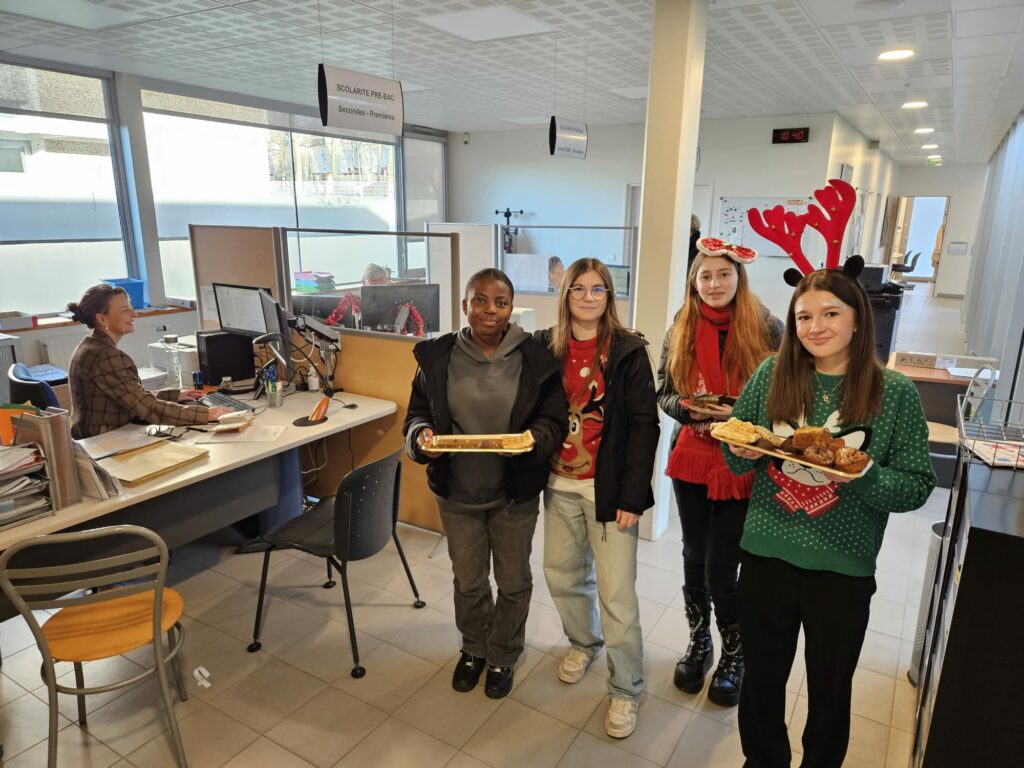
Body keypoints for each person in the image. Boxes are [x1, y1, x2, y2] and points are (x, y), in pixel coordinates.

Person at [723, 265, 935, 766]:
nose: (815, 326)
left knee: (830, 693)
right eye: (803, 317)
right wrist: (745, 451)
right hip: (766, 557)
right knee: (762, 687)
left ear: (858, 320)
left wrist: (865, 477)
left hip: (843, 569)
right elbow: (736, 452)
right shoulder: (771, 374)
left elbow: (918, 485)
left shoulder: (894, 392)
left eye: (830, 314)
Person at [403, 268, 567, 699]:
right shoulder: (437, 358)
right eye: (479, 300)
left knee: (513, 582)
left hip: (513, 494)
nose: (489, 310)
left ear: (512, 309)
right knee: (469, 581)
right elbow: (417, 414)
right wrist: (420, 439)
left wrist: (535, 440)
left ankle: (503, 653)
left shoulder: (536, 358)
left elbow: (554, 421)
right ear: (465, 306)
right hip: (458, 494)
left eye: (499, 302)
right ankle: (474, 648)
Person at [656, 239, 782, 707]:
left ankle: (736, 651)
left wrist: (750, 425)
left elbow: (787, 389)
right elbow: (663, 390)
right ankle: (700, 641)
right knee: (693, 555)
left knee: (721, 565)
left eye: (723, 275)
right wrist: (688, 412)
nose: (714, 284)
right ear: (694, 280)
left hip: (741, 462)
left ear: (738, 278)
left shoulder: (767, 326)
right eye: (705, 276)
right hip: (691, 455)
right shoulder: (681, 326)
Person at [539, 258, 659, 739]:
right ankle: (583, 643)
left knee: (616, 595)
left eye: (599, 290)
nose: (589, 298)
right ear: (565, 294)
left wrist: (633, 494)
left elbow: (644, 426)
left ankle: (626, 688)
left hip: (607, 493)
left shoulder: (628, 352)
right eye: (579, 289)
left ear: (610, 297)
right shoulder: (545, 347)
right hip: (557, 487)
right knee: (562, 575)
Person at [66, 284, 231, 439]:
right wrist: (208, 414)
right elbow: (147, 408)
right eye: (125, 310)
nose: (134, 314)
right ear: (102, 319)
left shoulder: (89, 346)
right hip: (103, 443)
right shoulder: (106, 356)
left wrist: (174, 395)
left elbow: (130, 396)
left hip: (94, 437)